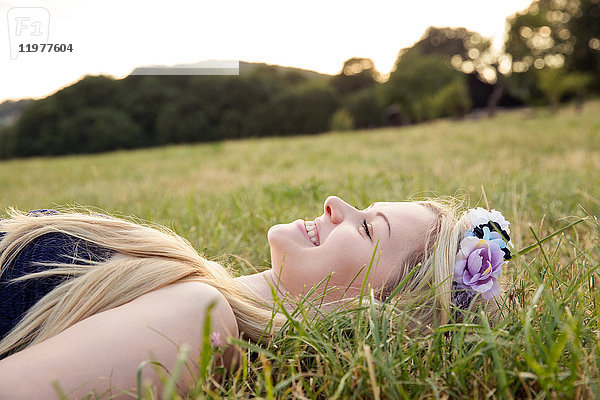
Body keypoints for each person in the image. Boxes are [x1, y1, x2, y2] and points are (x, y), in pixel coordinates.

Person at [0, 195, 513, 398]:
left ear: (376, 311)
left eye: (367, 229)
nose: (336, 205)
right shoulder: (195, 283)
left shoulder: (195, 320)